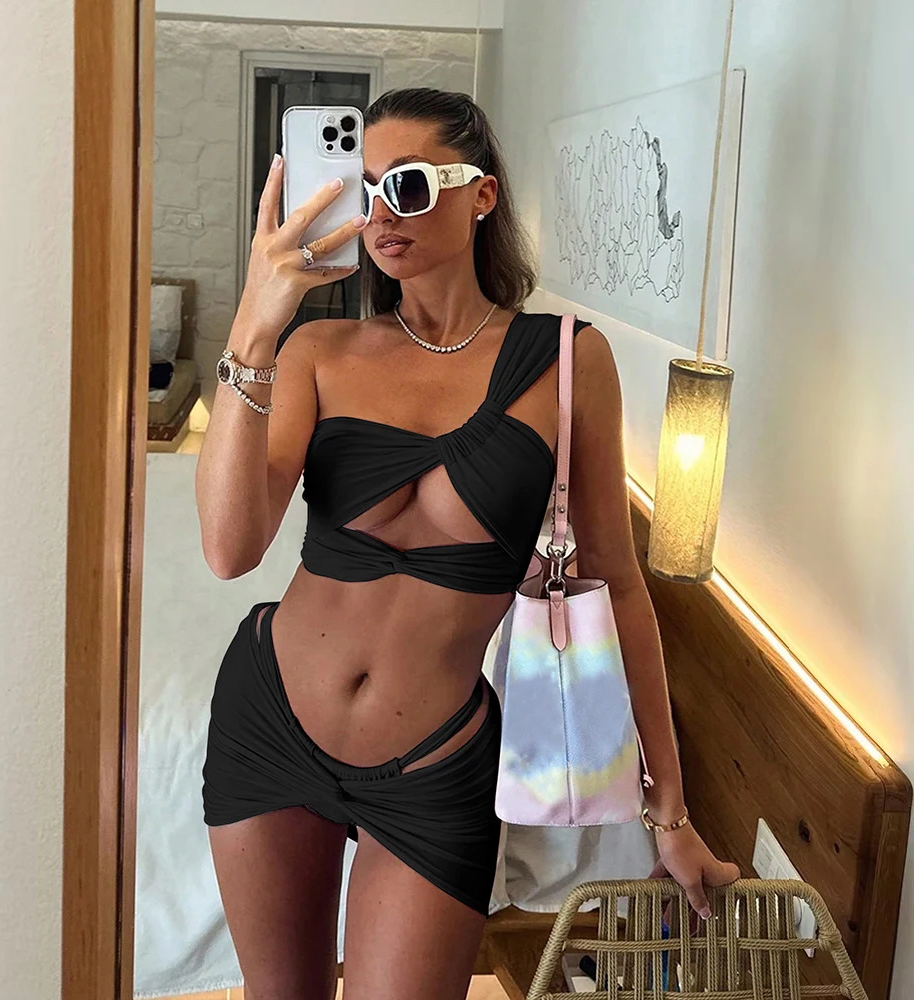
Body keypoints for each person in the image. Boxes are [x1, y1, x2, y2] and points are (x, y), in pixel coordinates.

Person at [197, 87, 739, 1000]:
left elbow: (618, 586)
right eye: (366, 188)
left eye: (408, 185)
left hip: (435, 761)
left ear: (481, 194)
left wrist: (670, 812)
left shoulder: (566, 360)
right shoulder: (320, 349)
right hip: (269, 720)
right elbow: (228, 548)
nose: (381, 212)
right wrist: (257, 320)